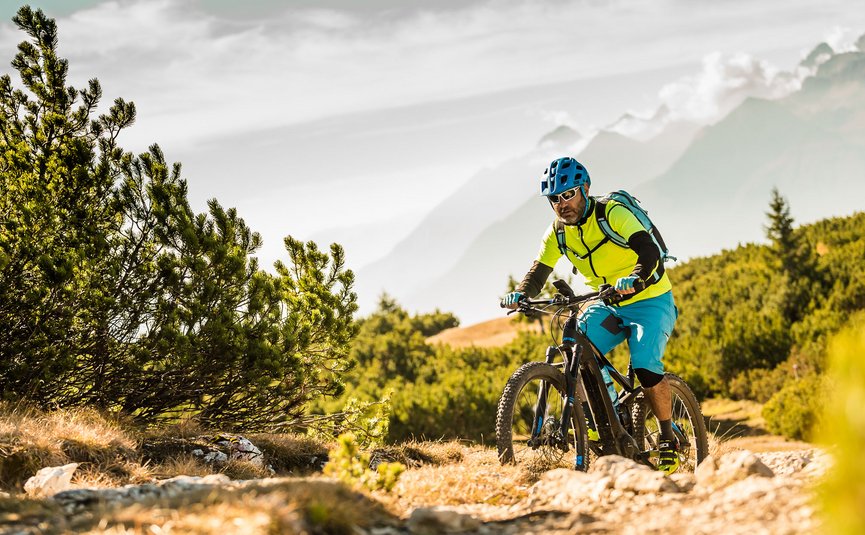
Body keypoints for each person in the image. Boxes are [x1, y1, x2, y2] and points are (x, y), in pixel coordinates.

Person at [501, 156, 680, 474]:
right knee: (578, 350)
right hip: (607, 301)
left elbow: (648, 250)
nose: (561, 204)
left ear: (584, 188)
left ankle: (667, 438)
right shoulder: (558, 232)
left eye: (568, 194)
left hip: (650, 299)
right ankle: (605, 421)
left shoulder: (612, 213)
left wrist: (635, 278)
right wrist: (521, 295)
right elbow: (539, 269)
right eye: (554, 198)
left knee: (645, 367)